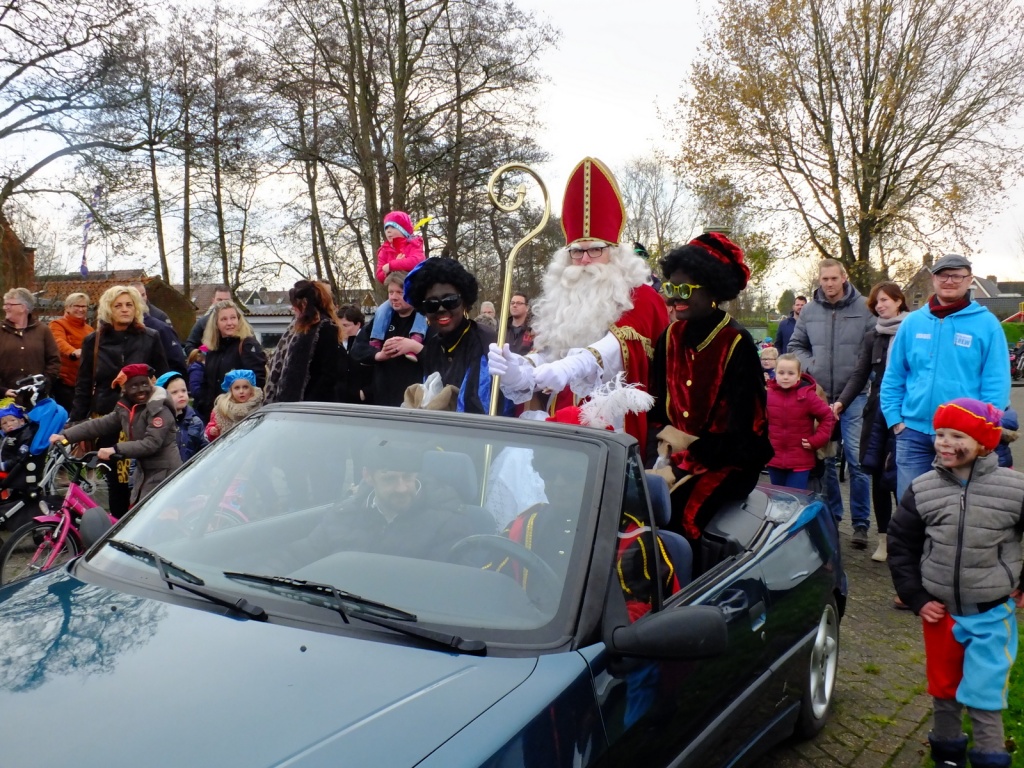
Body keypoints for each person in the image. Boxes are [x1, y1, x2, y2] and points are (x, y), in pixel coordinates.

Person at [488, 157, 669, 445]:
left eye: (595, 250)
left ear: (614, 252)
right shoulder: (566, 295)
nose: (584, 260)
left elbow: (620, 347)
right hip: (560, 424)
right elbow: (552, 356)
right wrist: (519, 369)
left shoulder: (640, 296)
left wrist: (573, 365)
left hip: (613, 425)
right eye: (576, 251)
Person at [887, 398, 1024, 768]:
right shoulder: (922, 489)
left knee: (985, 694)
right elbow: (901, 544)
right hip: (940, 613)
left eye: (957, 436)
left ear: (983, 444)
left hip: (991, 613)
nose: (944, 443)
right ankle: (947, 756)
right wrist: (915, 596)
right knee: (944, 689)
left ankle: (990, 756)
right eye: (940, 434)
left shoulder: (1015, 490)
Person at [645, 232, 773, 550]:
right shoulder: (669, 336)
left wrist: (692, 457)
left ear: (712, 289)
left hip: (728, 463)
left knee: (680, 517)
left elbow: (747, 428)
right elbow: (656, 406)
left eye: (684, 290)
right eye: (671, 289)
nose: (675, 299)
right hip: (674, 452)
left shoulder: (736, 342)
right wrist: (662, 453)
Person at [880, 253, 1011, 507]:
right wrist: (895, 420)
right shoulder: (913, 323)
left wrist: (982, 429)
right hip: (913, 433)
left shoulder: (986, 324)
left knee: (957, 508)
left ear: (969, 280)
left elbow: (996, 382)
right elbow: (894, 375)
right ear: (933, 279)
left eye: (956, 276)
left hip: (963, 435)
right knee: (911, 507)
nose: (949, 281)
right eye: (943, 275)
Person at [278, 442, 496, 571]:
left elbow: (443, 592)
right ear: (368, 476)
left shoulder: (448, 522)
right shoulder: (344, 514)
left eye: (408, 477)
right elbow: (296, 557)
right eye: (390, 479)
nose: (402, 488)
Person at [788, 259, 875, 545]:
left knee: (857, 460)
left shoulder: (864, 307)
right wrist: (811, 366)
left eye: (833, 278)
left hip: (856, 395)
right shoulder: (810, 310)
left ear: (844, 278)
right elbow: (795, 346)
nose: (829, 284)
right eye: (824, 279)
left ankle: (861, 523)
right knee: (825, 459)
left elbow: (875, 346)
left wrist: (862, 372)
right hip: (821, 397)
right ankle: (834, 517)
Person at [70, 285, 168, 518]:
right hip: (107, 417)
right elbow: (83, 384)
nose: (125, 309)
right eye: (118, 305)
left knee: (143, 476)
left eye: (129, 305)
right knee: (115, 479)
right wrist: (76, 422)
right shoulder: (93, 341)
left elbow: (165, 377)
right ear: (108, 309)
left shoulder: (150, 337)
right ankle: (118, 525)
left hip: (141, 417)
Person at [835, 281, 909, 561]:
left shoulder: (915, 331)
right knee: (877, 475)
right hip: (877, 412)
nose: (880, 305)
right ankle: (884, 539)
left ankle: (906, 539)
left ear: (899, 301)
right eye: (876, 302)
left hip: (907, 412)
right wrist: (842, 401)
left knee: (904, 476)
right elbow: (860, 373)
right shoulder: (872, 336)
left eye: (885, 300)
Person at [55, 364, 180, 510]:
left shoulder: (159, 409)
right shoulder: (127, 408)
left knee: (153, 514)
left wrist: (116, 449)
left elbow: (151, 443)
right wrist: (66, 436)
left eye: (144, 384)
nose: (141, 390)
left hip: (164, 472)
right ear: (125, 389)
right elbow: (100, 424)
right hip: (144, 472)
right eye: (134, 386)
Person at [404, 258, 497, 414]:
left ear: (464, 302)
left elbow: (482, 406)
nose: (441, 309)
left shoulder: (484, 341)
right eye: (432, 304)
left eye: (450, 300)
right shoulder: (433, 347)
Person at [350, 271, 426, 407]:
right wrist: (378, 355)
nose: (394, 297)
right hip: (382, 400)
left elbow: (439, 359)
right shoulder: (380, 322)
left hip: (414, 402)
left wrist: (415, 348)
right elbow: (357, 350)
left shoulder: (426, 322)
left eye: (400, 293)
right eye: (391, 292)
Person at [264, 280, 343, 404]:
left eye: (296, 305)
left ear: (304, 304)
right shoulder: (300, 328)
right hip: (298, 402)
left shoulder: (326, 328)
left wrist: (308, 401)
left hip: (312, 403)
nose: (293, 308)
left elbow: (328, 373)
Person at [765, 354, 834, 490]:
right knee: (777, 497)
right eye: (781, 373)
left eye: (790, 373)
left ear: (798, 376)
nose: (785, 377)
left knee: (795, 497)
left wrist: (817, 440)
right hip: (774, 458)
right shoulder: (767, 395)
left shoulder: (807, 396)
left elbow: (828, 416)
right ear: (775, 374)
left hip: (800, 461)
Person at [369, 211, 428, 360]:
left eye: (393, 227)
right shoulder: (384, 250)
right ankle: (375, 340)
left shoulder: (413, 244)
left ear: (403, 229)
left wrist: (392, 265)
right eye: (386, 228)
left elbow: (417, 261)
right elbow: (380, 275)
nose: (388, 231)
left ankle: (416, 337)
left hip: (414, 290)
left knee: (422, 309)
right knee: (382, 310)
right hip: (396, 282)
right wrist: (395, 267)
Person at [196, 301, 266, 422]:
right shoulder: (213, 348)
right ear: (216, 323)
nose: (229, 323)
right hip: (215, 416)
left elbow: (258, 381)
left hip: (240, 417)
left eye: (233, 318)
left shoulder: (247, 345)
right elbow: (207, 382)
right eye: (224, 319)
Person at [0, 287, 60, 396]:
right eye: (5, 304)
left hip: (36, 398)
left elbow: (54, 360)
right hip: (5, 399)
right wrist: (2, 391)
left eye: (9, 304)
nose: (5, 308)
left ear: (23, 307)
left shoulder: (43, 330)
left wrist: (44, 383)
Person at [48, 292, 94, 412]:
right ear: (67, 307)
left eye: (84, 306)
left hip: (83, 383)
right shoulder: (57, 324)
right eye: (76, 306)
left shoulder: (89, 330)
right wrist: (73, 352)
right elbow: (58, 341)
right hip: (64, 383)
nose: (80, 309)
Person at [155, 371, 208, 462]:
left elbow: (205, 449)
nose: (181, 395)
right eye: (174, 392)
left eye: (183, 390)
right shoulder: (156, 423)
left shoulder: (195, 422)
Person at [205, 369, 264, 441]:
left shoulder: (259, 408)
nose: (241, 391)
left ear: (251, 389)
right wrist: (212, 432)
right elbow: (211, 427)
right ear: (231, 390)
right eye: (237, 388)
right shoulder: (221, 409)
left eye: (245, 387)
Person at [183, 285, 233, 355]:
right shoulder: (203, 322)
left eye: (226, 300)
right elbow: (189, 346)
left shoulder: (240, 323)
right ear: (213, 301)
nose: (223, 303)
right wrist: (204, 353)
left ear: (232, 301)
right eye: (219, 300)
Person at [336, 305, 369, 404]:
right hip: (340, 400)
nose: (341, 329)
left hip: (363, 403)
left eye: (345, 325)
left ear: (358, 324)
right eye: (338, 325)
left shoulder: (368, 343)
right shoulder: (336, 343)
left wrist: (365, 393)